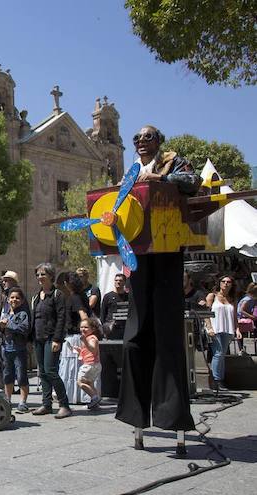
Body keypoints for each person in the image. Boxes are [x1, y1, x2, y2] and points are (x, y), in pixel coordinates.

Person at [116, 125, 200, 434]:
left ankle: (171, 416)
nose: (140, 142)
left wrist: (161, 178)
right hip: (139, 253)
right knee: (134, 338)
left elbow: (193, 182)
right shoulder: (132, 170)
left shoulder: (173, 161)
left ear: (159, 140)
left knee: (167, 334)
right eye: (136, 138)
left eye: (147, 137)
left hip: (166, 249)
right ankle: (136, 415)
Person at [30, 263, 71, 418]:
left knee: (51, 371)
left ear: (51, 276)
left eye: (43, 274)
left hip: (51, 338)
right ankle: (46, 404)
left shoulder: (57, 295)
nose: (40, 277)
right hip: (38, 338)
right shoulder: (35, 296)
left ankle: (64, 405)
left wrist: (57, 339)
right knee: (43, 373)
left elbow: (62, 318)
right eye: (38, 274)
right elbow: (34, 318)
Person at [59, 273, 91, 406]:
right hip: (78, 337)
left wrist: (85, 332)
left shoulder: (75, 297)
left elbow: (83, 315)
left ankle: (74, 396)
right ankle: (77, 395)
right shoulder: (82, 295)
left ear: (67, 284)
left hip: (75, 337)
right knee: (77, 368)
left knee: (73, 368)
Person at [204, 275, 241, 391]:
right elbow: (206, 312)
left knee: (221, 354)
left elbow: (234, 316)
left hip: (227, 329)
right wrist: (209, 328)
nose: (226, 283)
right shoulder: (212, 296)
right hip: (215, 329)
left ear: (232, 284)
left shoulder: (232, 299)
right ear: (219, 283)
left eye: (228, 282)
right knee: (218, 353)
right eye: (223, 281)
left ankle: (220, 380)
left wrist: (237, 329)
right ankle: (217, 380)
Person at [0, 287, 30, 413]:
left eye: (17, 298)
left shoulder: (23, 314)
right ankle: (8, 399)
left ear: (22, 301)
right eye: (12, 297)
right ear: (7, 300)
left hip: (19, 349)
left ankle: (23, 402)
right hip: (6, 349)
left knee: (21, 375)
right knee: (7, 376)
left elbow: (24, 329)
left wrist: (8, 325)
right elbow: (2, 332)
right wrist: (1, 327)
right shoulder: (5, 314)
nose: (14, 300)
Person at [75, 318, 103, 410]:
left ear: (93, 329)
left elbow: (93, 350)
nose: (83, 329)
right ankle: (95, 402)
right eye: (81, 327)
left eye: (86, 327)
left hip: (90, 365)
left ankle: (95, 398)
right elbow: (88, 351)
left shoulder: (92, 338)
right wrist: (80, 350)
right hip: (94, 365)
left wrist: (85, 342)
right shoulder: (88, 338)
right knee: (89, 383)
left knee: (80, 382)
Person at [100, 273, 129, 340]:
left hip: (125, 328)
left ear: (124, 282)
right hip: (111, 329)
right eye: (116, 280)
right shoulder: (108, 296)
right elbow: (103, 314)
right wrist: (105, 328)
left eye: (120, 280)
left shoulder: (129, 296)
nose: (118, 282)